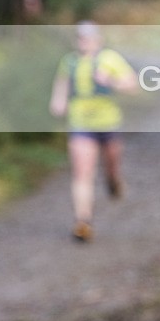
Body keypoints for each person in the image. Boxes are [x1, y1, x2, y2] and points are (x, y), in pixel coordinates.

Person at [50, 21, 138, 242]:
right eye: (80, 37)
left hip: (108, 124)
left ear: (98, 40)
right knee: (82, 172)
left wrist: (111, 81)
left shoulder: (110, 59)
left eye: (88, 37)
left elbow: (132, 85)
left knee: (111, 166)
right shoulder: (68, 62)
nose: (84, 41)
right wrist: (58, 101)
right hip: (80, 124)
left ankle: (113, 182)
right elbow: (61, 84)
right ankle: (83, 222)